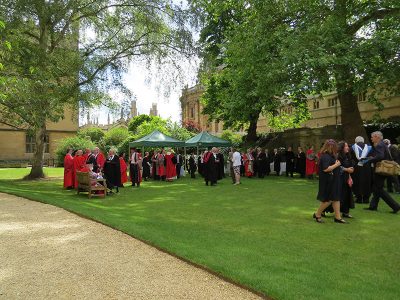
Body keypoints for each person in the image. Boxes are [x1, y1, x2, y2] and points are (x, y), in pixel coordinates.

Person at [365, 131, 400, 213]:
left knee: (379, 189)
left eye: (372, 137)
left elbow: (380, 156)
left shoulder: (380, 145)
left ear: (377, 137)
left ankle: (395, 206)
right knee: (376, 188)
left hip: (381, 170)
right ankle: (373, 206)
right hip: (383, 170)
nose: (371, 138)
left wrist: (370, 159)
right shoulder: (383, 144)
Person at [313, 139, 346, 223]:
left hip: (334, 180)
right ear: (327, 147)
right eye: (329, 146)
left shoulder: (332, 156)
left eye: (333, 146)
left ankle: (337, 217)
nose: (331, 147)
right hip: (328, 181)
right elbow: (326, 169)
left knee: (336, 198)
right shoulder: (325, 156)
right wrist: (337, 164)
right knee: (328, 200)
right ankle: (317, 214)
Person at [351, 136, 372, 203]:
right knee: (367, 182)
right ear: (363, 141)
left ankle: (359, 198)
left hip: (357, 167)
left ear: (356, 141)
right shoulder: (370, 148)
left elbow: (351, 158)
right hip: (367, 167)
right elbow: (372, 158)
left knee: (357, 181)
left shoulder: (352, 148)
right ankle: (366, 199)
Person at [337, 141, 355, 218]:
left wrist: (351, 172)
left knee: (347, 194)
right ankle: (324, 210)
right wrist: (347, 169)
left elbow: (350, 166)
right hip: (339, 178)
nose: (348, 147)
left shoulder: (348, 156)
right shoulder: (338, 156)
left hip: (346, 178)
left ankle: (345, 212)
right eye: (346, 146)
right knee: (338, 195)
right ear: (342, 148)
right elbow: (337, 167)